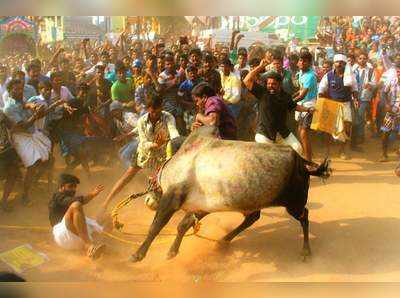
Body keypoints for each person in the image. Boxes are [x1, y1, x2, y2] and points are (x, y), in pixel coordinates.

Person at [101, 95, 180, 212]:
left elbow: (174, 133)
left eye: (158, 111)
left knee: (165, 181)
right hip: (144, 154)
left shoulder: (168, 117)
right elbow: (143, 143)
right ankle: (106, 202)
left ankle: (168, 206)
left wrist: (175, 141)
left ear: (161, 108)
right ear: (148, 109)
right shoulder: (142, 121)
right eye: (153, 112)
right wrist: (155, 145)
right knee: (126, 177)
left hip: (162, 155)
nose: (156, 115)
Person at [243, 60, 314, 157]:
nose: (270, 86)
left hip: (281, 133)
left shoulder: (285, 96)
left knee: (297, 148)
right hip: (264, 133)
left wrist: (308, 109)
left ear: (279, 85)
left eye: (273, 84)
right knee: (268, 155)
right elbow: (246, 80)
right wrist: (260, 67)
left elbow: (294, 106)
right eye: (269, 84)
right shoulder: (262, 92)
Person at [48, 173, 106, 259]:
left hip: (77, 238)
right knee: (76, 205)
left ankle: (91, 249)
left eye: (75, 187)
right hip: (64, 235)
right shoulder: (57, 196)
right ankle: (89, 246)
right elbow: (74, 202)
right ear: (61, 187)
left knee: (106, 218)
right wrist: (92, 194)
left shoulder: (68, 199)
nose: (73, 189)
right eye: (70, 186)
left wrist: (93, 195)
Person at [319, 53, 360, 159]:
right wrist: (322, 102)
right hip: (332, 105)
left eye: (342, 62)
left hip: (346, 104)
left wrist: (355, 99)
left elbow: (355, 89)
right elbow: (321, 90)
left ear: (345, 64)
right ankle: (327, 151)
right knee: (328, 129)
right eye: (337, 62)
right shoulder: (328, 75)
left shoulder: (350, 76)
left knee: (347, 129)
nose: (339, 64)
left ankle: (342, 151)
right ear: (334, 63)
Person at [293, 51, 318, 162]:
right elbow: (300, 91)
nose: (302, 63)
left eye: (305, 61)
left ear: (310, 63)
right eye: (300, 60)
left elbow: (302, 94)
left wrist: (290, 102)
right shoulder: (301, 74)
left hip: (309, 105)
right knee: (301, 132)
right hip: (302, 105)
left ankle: (308, 161)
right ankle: (308, 157)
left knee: (303, 133)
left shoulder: (310, 76)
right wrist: (290, 98)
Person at [353, 52, 377, 143]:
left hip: (364, 97)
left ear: (367, 59)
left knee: (360, 116)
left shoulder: (371, 70)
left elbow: (374, 83)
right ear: (357, 59)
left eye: (364, 58)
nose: (362, 60)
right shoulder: (354, 69)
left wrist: (369, 85)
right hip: (354, 96)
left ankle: (360, 136)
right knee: (356, 116)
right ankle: (357, 135)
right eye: (360, 58)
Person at [0, 110, 20, 212]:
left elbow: (11, 125)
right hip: (5, 150)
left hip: (6, 150)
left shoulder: (0, 113)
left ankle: (4, 202)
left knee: (12, 174)